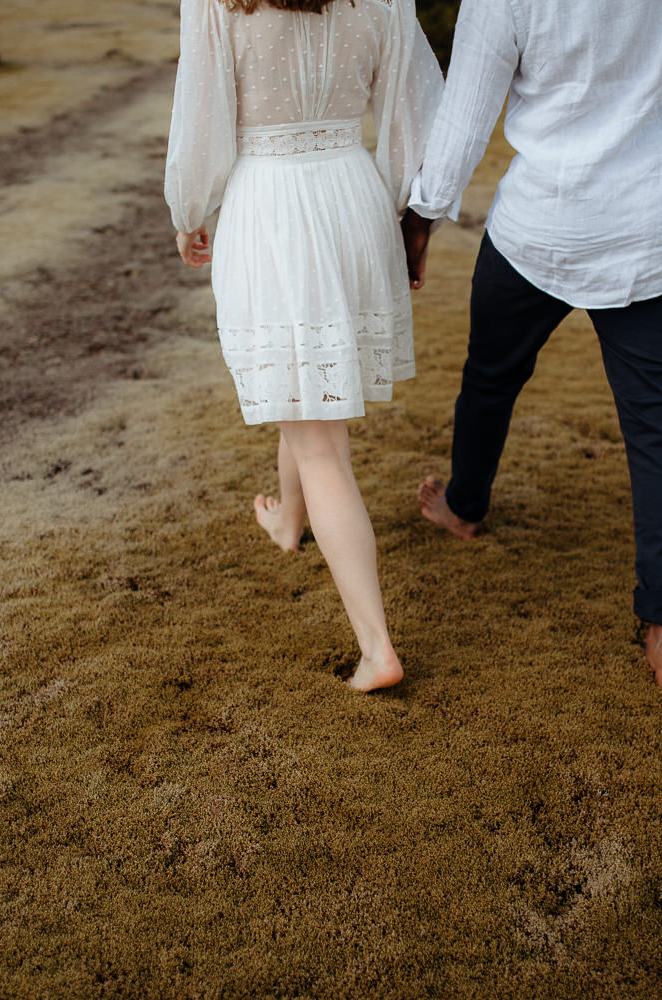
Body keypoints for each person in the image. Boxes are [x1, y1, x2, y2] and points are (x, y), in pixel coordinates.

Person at [400, 0, 662, 690]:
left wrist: (422, 215)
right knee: (658, 426)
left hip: (541, 226)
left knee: (490, 374)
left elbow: (467, 112)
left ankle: (463, 505)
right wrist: (650, 163)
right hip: (651, 223)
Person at [165, 0, 443, 692]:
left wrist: (189, 210)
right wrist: (408, 208)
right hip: (353, 199)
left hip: (274, 208)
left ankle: (377, 648)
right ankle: (291, 519)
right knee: (305, 376)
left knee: (321, 443)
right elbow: (416, 112)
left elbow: (201, 116)